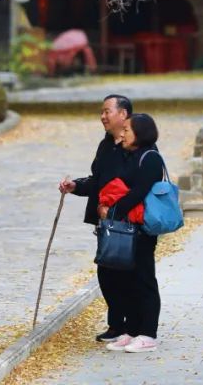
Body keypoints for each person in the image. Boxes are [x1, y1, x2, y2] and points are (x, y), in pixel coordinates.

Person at [58, 94, 133, 342]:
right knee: (106, 272)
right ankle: (116, 324)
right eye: (101, 112)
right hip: (105, 222)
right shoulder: (105, 146)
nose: (102, 116)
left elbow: (137, 185)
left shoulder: (136, 144)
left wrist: (116, 206)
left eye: (107, 111)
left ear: (123, 114)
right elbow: (97, 180)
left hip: (129, 220)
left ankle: (134, 326)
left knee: (128, 274)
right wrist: (75, 186)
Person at [98, 113, 164, 353]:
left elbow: (137, 193)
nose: (122, 133)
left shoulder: (150, 158)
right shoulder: (127, 154)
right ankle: (133, 329)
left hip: (141, 229)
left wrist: (111, 212)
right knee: (127, 280)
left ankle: (149, 333)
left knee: (144, 279)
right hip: (125, 227)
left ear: (141, 133)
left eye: (127, 130)